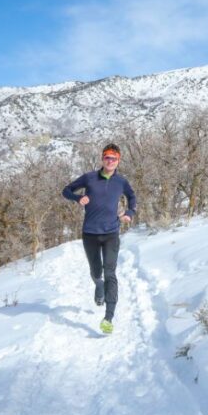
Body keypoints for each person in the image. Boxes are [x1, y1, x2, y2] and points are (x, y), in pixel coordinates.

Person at [62, 143, 137, 334]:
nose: (110, 161)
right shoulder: (89, 178)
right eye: (107, 157)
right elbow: (66, 190)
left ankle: (108, 317)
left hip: (112, 233)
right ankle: (98, 285)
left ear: (118, 161)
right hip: (90, 234)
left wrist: (129, 212)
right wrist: (77, 198)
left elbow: (132, 197)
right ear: (102, 159)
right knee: (96, 272)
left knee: (110, 272)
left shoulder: (121, 182)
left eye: (114, 158)